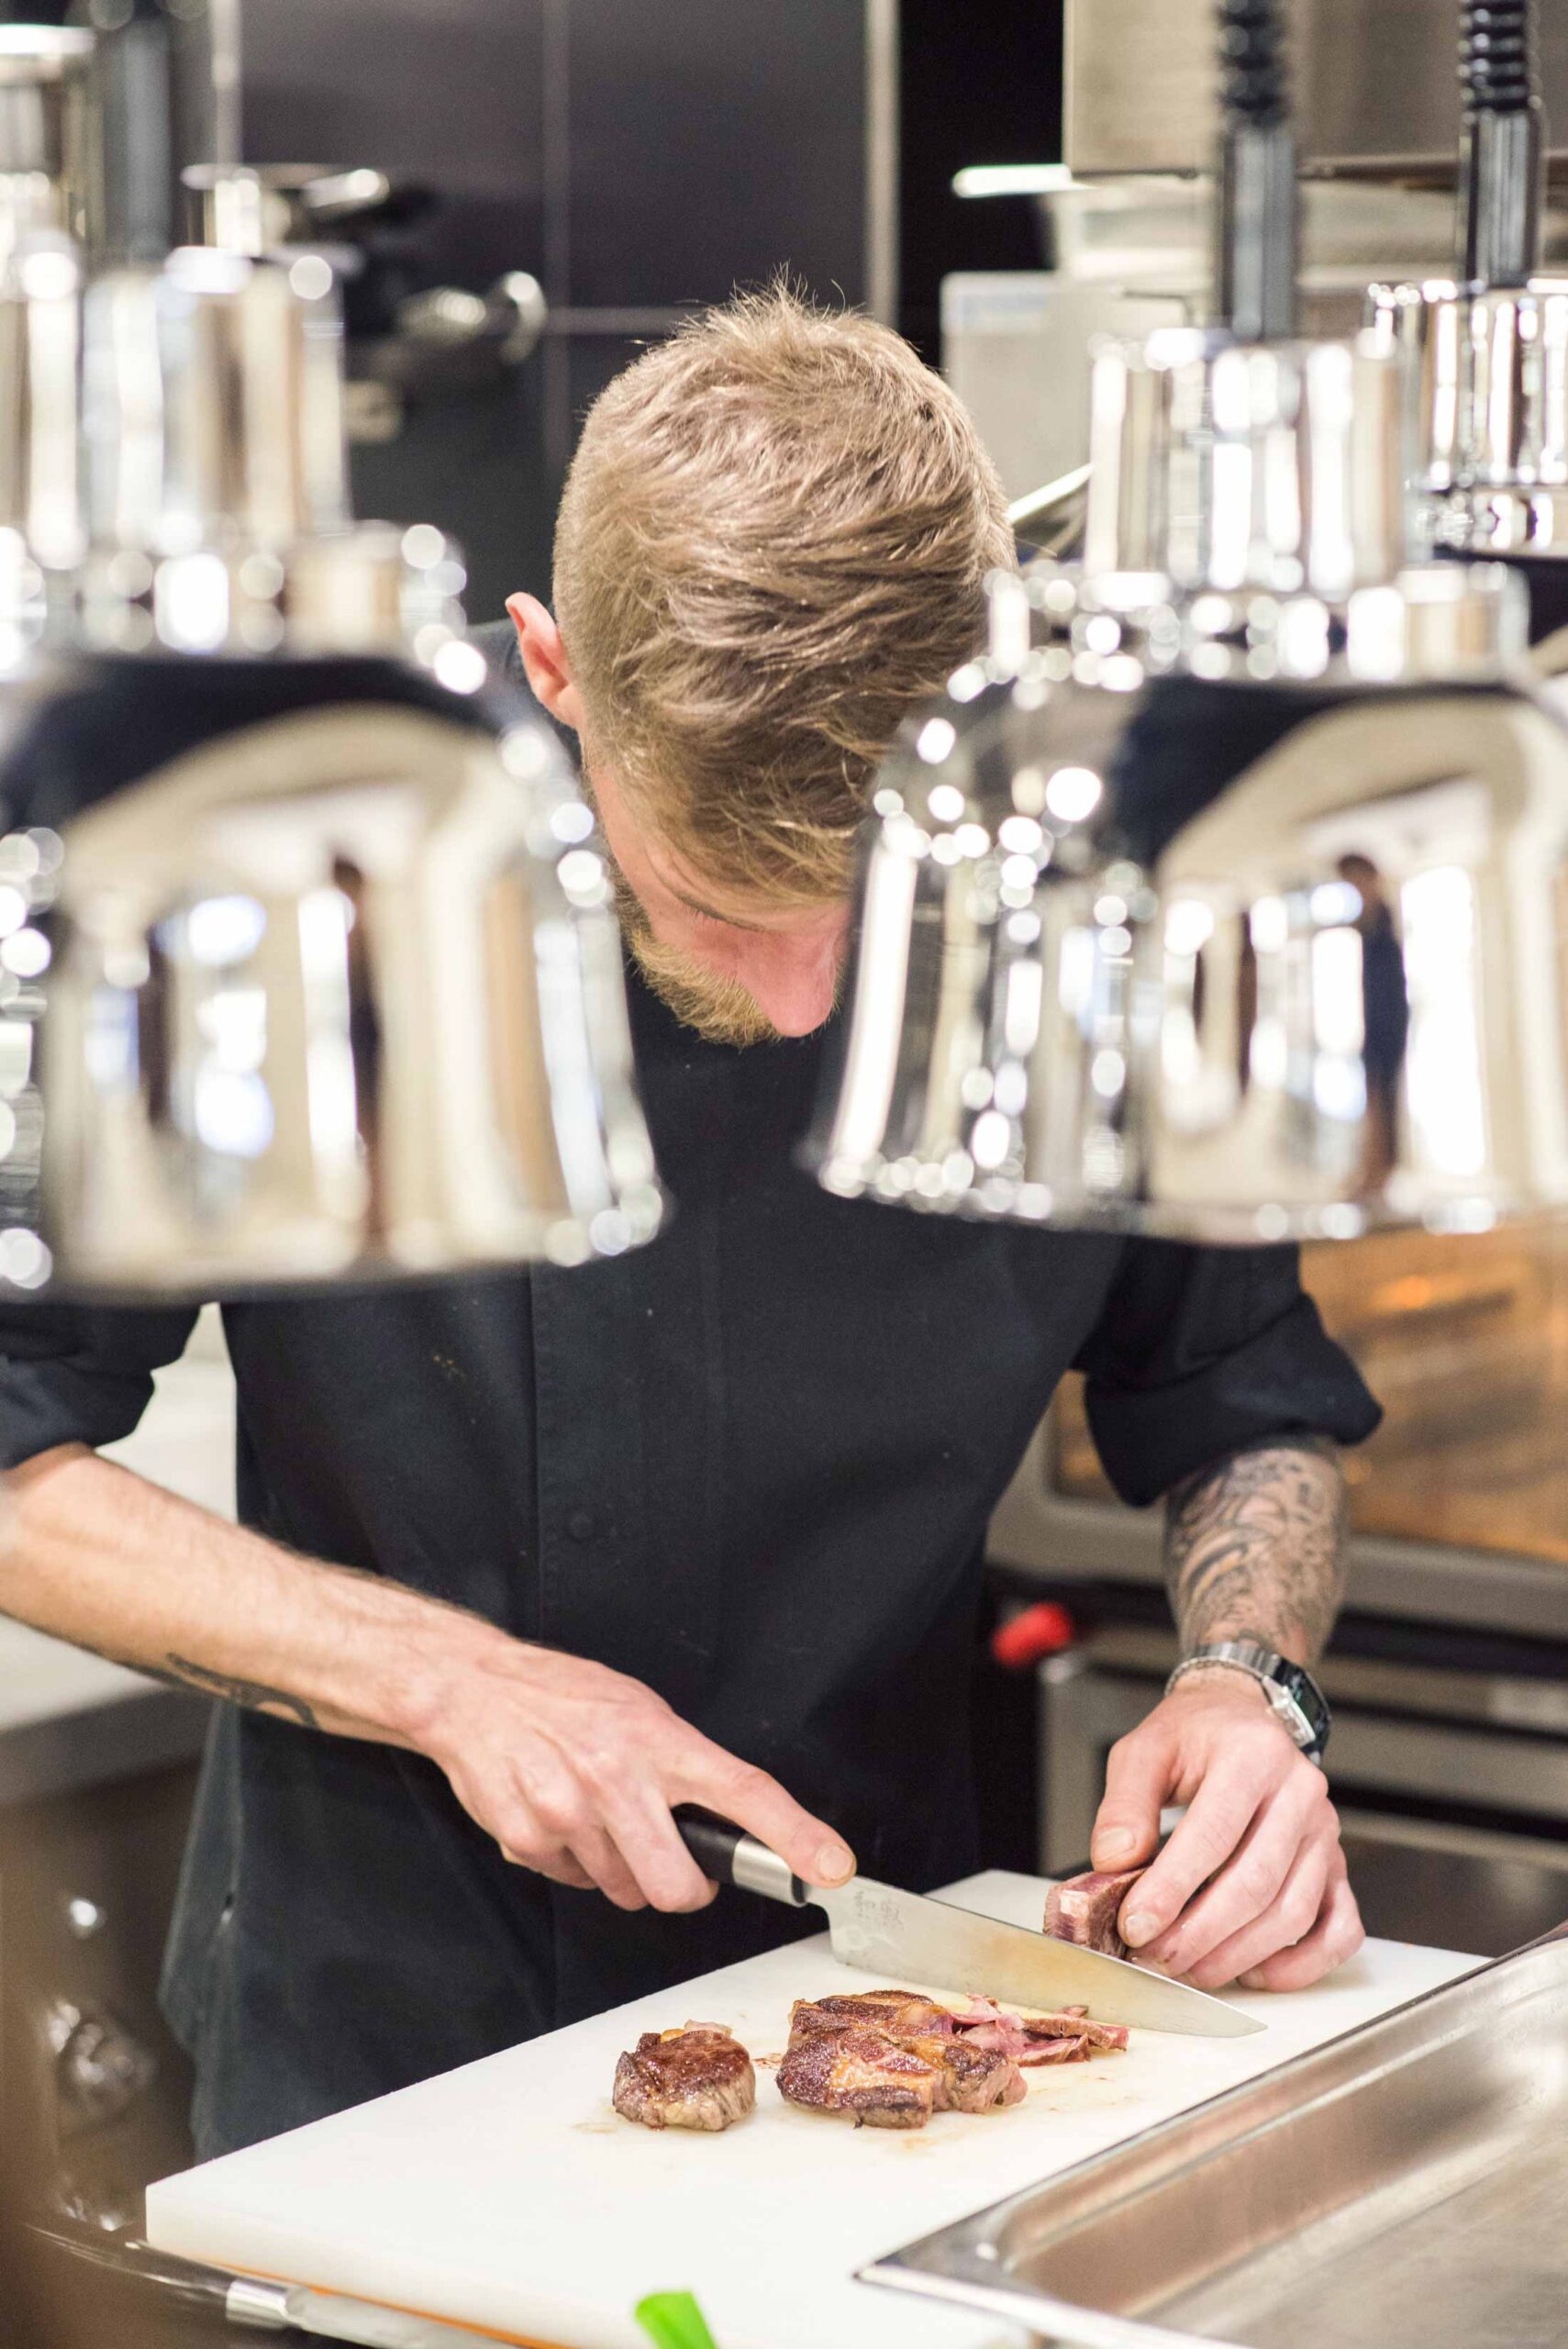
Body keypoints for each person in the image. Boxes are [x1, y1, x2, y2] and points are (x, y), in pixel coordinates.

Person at [0, 290, 1379, 2158]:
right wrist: (447, 1676)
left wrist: (1249, 1683)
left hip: (880, 2022)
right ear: (552, 672)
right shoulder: (300, 902)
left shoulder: (1092, 921)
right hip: (379, 2046)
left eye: (866, 906)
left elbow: (1238, 1390)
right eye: (715, 904)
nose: (808, 1005)